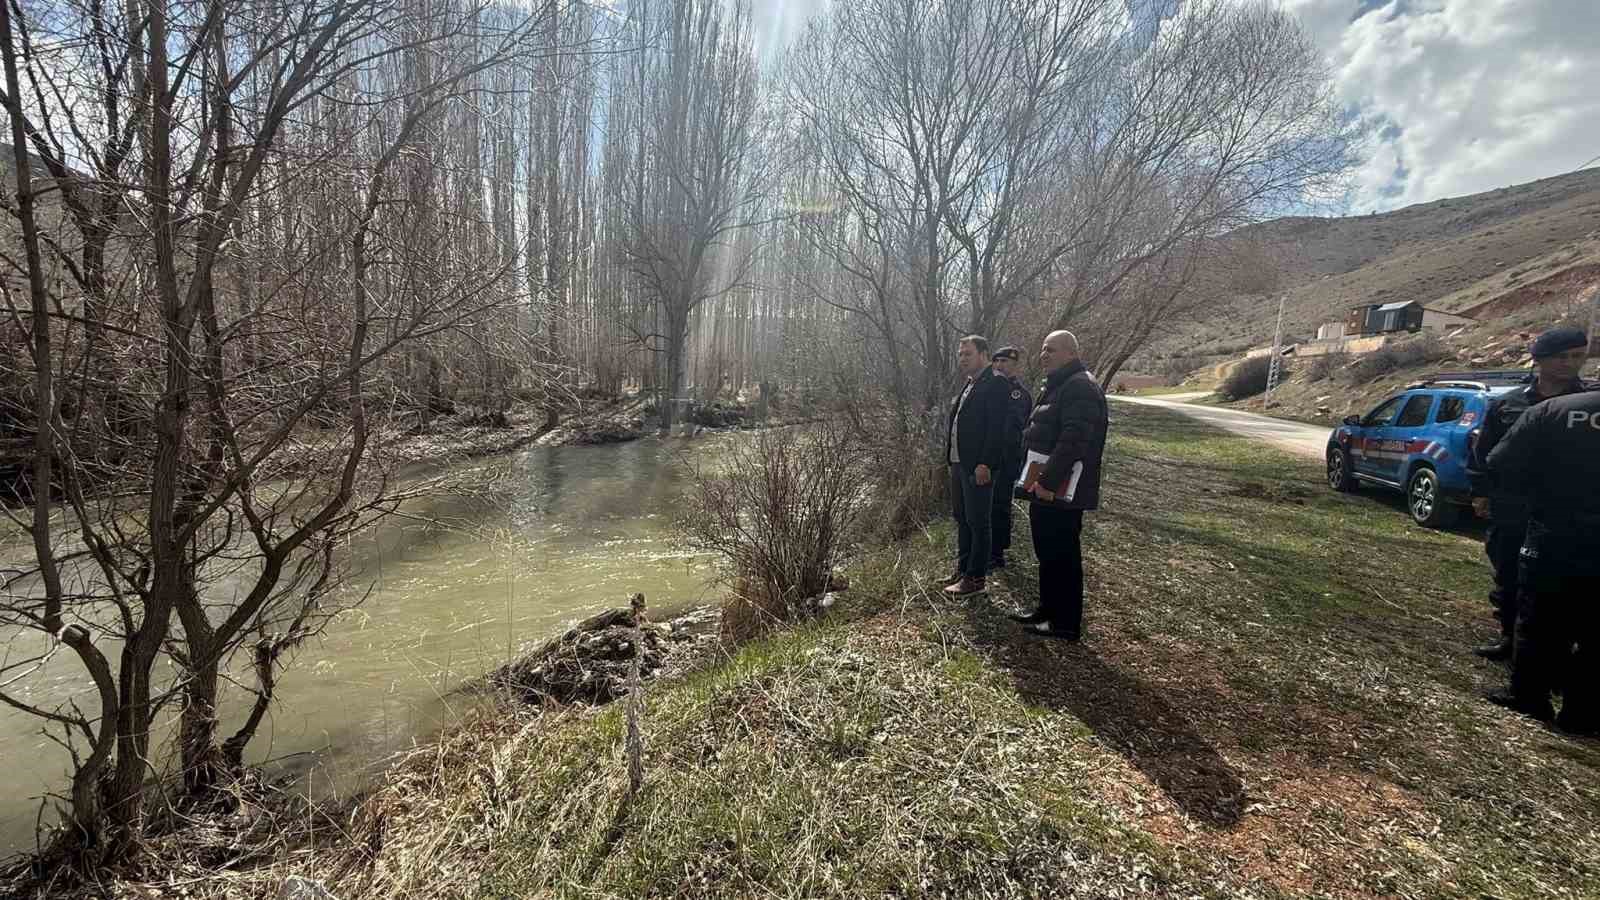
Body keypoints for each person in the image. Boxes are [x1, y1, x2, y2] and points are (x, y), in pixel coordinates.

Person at [1484, 362, 1600, 734]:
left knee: (1540, 616)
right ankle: (1583, 713)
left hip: (1556, 530)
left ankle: (1530, 697)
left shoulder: (1555, 411)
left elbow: (1500, 461)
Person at [1465, 326, 1590, 660]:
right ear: (1539, 360)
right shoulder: (1509, 404)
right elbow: (1483, 450)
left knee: (1563, 579)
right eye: (1561, 357)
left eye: (1577, 356)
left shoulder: (1588, 405)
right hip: (1514, 504)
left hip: (1568, 510)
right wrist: (1481, 492)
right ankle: (1510, 638)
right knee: (1508, 571)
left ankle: (1557, 649)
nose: (1569, 364)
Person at [1011, 330, 1108, 640]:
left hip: (1061, 489)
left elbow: (1074, 440)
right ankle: (1047, 610)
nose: (1043, 355)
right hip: (1044, 486)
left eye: (1050, 349)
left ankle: (1065, 623)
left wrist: (1048, 481)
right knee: (1047, 551)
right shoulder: (1059, 384)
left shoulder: (1080, 386)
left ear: (1070, 353)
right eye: (1042, 349)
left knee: (1063, 554)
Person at [943, 335, 1012, 596]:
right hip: (959, 463)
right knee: (962, 518)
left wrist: (986, 463)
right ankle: (963, 568)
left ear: (984, 354)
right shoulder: (970, 383)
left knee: (979, 521)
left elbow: (997, 429)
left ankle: (975, 578)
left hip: (978, 466)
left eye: (968, 354)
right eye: (960, 354)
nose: (962, 359)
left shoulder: (995, 383)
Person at [988, 346, 1033, 570]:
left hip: (1006, 460)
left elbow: (1013, 431)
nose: (999, 365)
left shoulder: (1017, 393)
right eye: (996, 361)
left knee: (999, 505)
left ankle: (996, 554)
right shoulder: (990, 389)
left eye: (1004, 361)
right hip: (987, 459)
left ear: (1015, 365)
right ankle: (987, 549)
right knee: (985, 506)